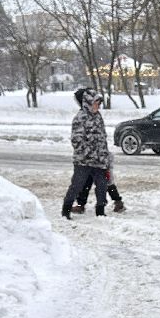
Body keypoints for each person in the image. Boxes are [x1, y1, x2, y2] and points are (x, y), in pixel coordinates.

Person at [62, 87, 111, 219]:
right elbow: (76, 141)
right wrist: (90, 153)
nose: (98, 106)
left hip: (99, 161)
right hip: (83, 161)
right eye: (96, 103)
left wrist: (105, 155)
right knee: (77, 186)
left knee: (102, 186)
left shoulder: (98, 117)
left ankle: (100, 210)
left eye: (99, 103)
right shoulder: (80, 118)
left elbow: (102, 138)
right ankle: (66, 210)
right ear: (88, 103)